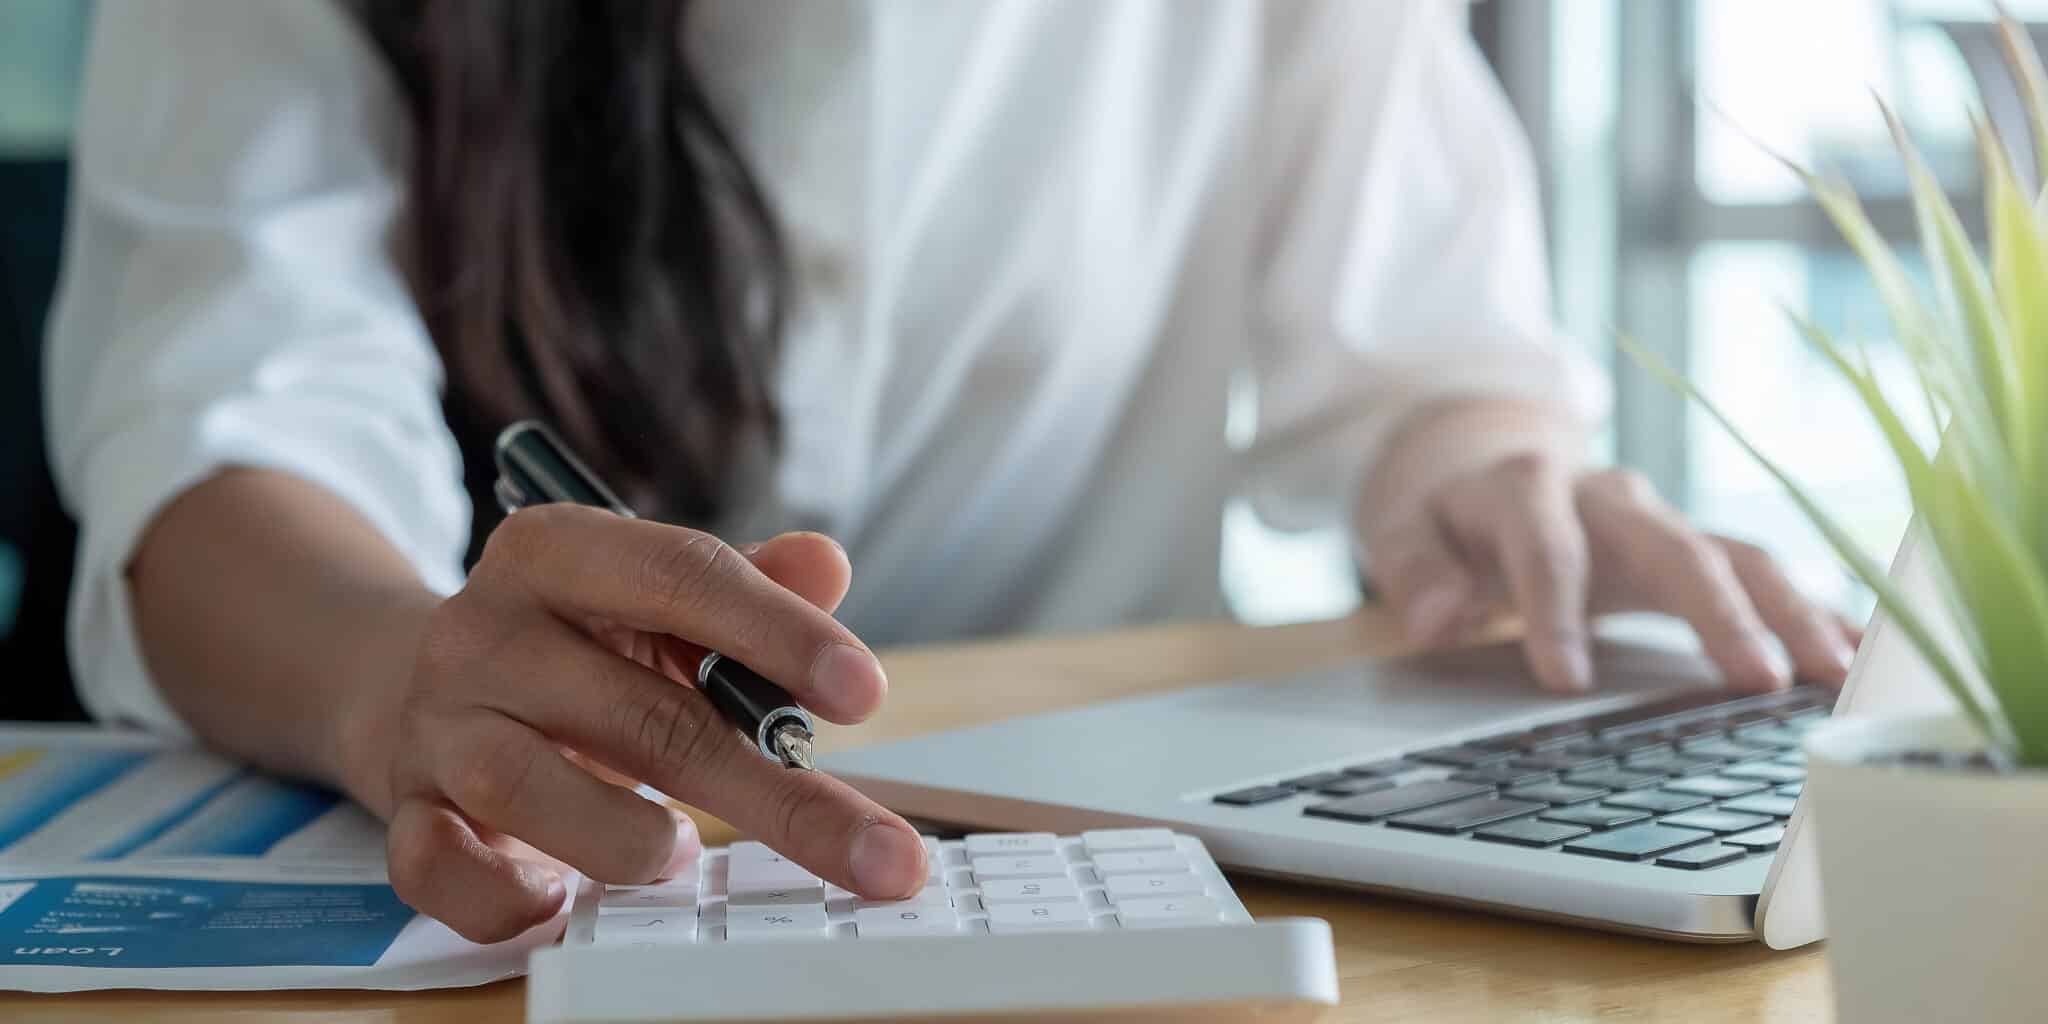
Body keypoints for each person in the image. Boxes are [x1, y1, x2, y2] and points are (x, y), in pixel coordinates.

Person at [45, 1, 1858, 944]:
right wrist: (392, 670)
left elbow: (1414, 365)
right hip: (545, 872)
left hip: (1127, 855)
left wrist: (1491, 473)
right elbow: (220, 429)